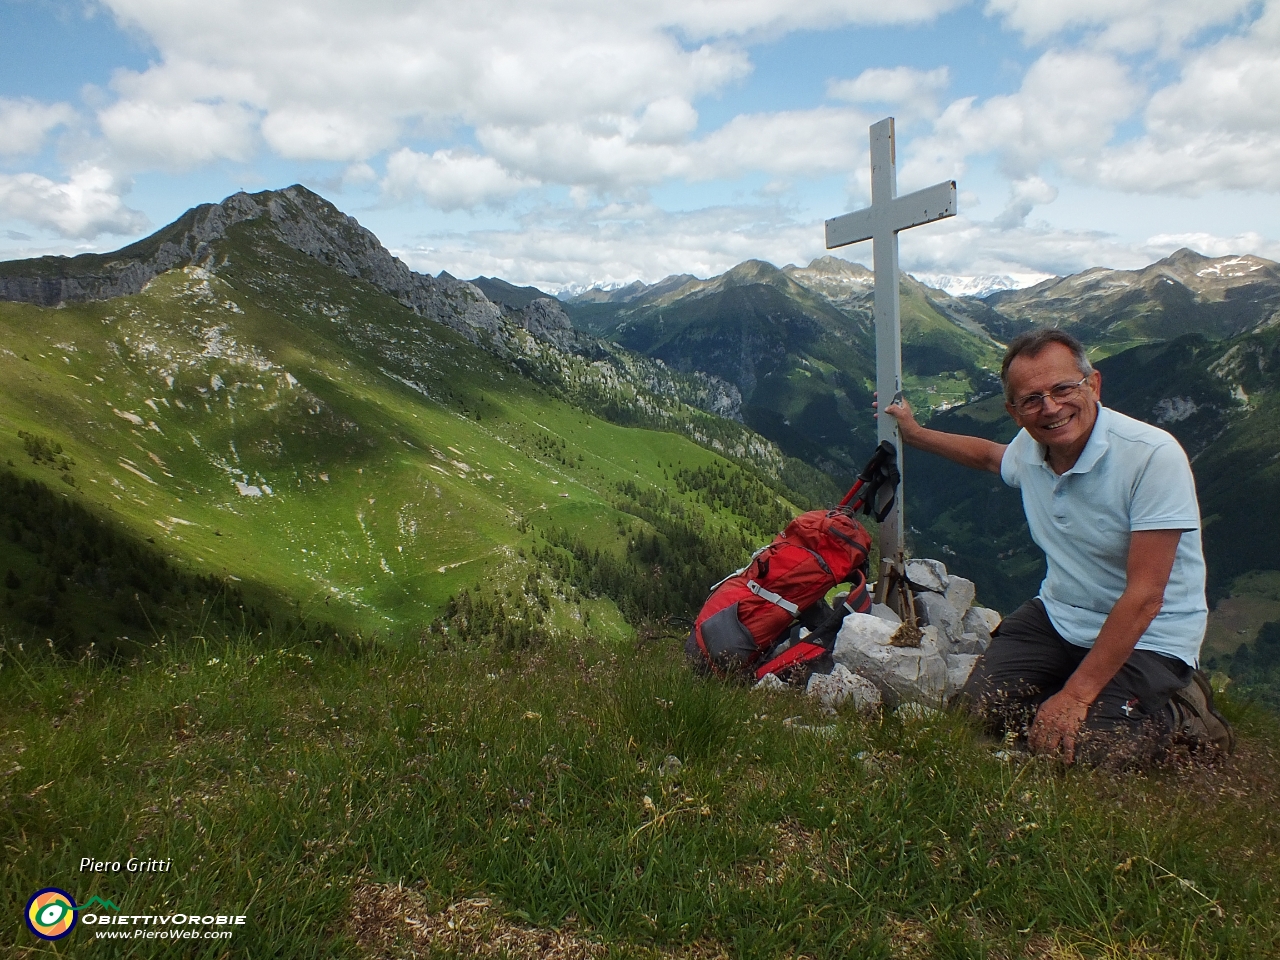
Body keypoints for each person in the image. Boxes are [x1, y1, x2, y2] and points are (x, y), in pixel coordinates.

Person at [879, 328, 1231, 765]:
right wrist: (914, 434)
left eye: (1064, 388)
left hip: (1152, 635)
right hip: (1060, 614)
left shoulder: (1152, 456)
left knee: (1085, 752)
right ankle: (1081, 689)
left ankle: (1182, 711)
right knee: (974, 715)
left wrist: (1077, 698)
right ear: (1013, 410)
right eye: (1031, 398)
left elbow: (1145, 597)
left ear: (1094, 384)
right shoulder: (1031, 448)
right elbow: (991, 457)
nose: (1050, 407)